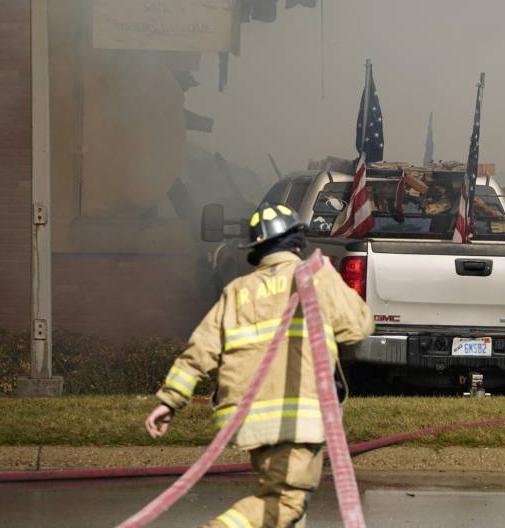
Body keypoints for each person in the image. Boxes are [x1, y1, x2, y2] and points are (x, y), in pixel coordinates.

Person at [144, 202, 373, 528]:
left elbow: (200, 350)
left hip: (249, 419)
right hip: (298, 416)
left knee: (287, 507)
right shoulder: (316, 278)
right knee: (287, 502)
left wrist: (169, 401)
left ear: (257, 250)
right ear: (297, 242)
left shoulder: (237, 292)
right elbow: (357, 328)